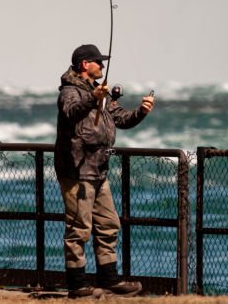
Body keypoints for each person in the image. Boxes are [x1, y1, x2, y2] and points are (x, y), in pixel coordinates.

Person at [55, 43, 155, 298]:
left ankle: (109, 280)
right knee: (78, 229)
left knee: (109, 224)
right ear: (84, 64)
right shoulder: (70, 91)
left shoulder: (98, 93)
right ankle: (77, 287)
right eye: (98, 62)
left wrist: (141, 112)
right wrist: (93, 98)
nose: (102, 66)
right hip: (77, 171)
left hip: (99, 171)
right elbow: (71, 112)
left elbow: (121, 119)